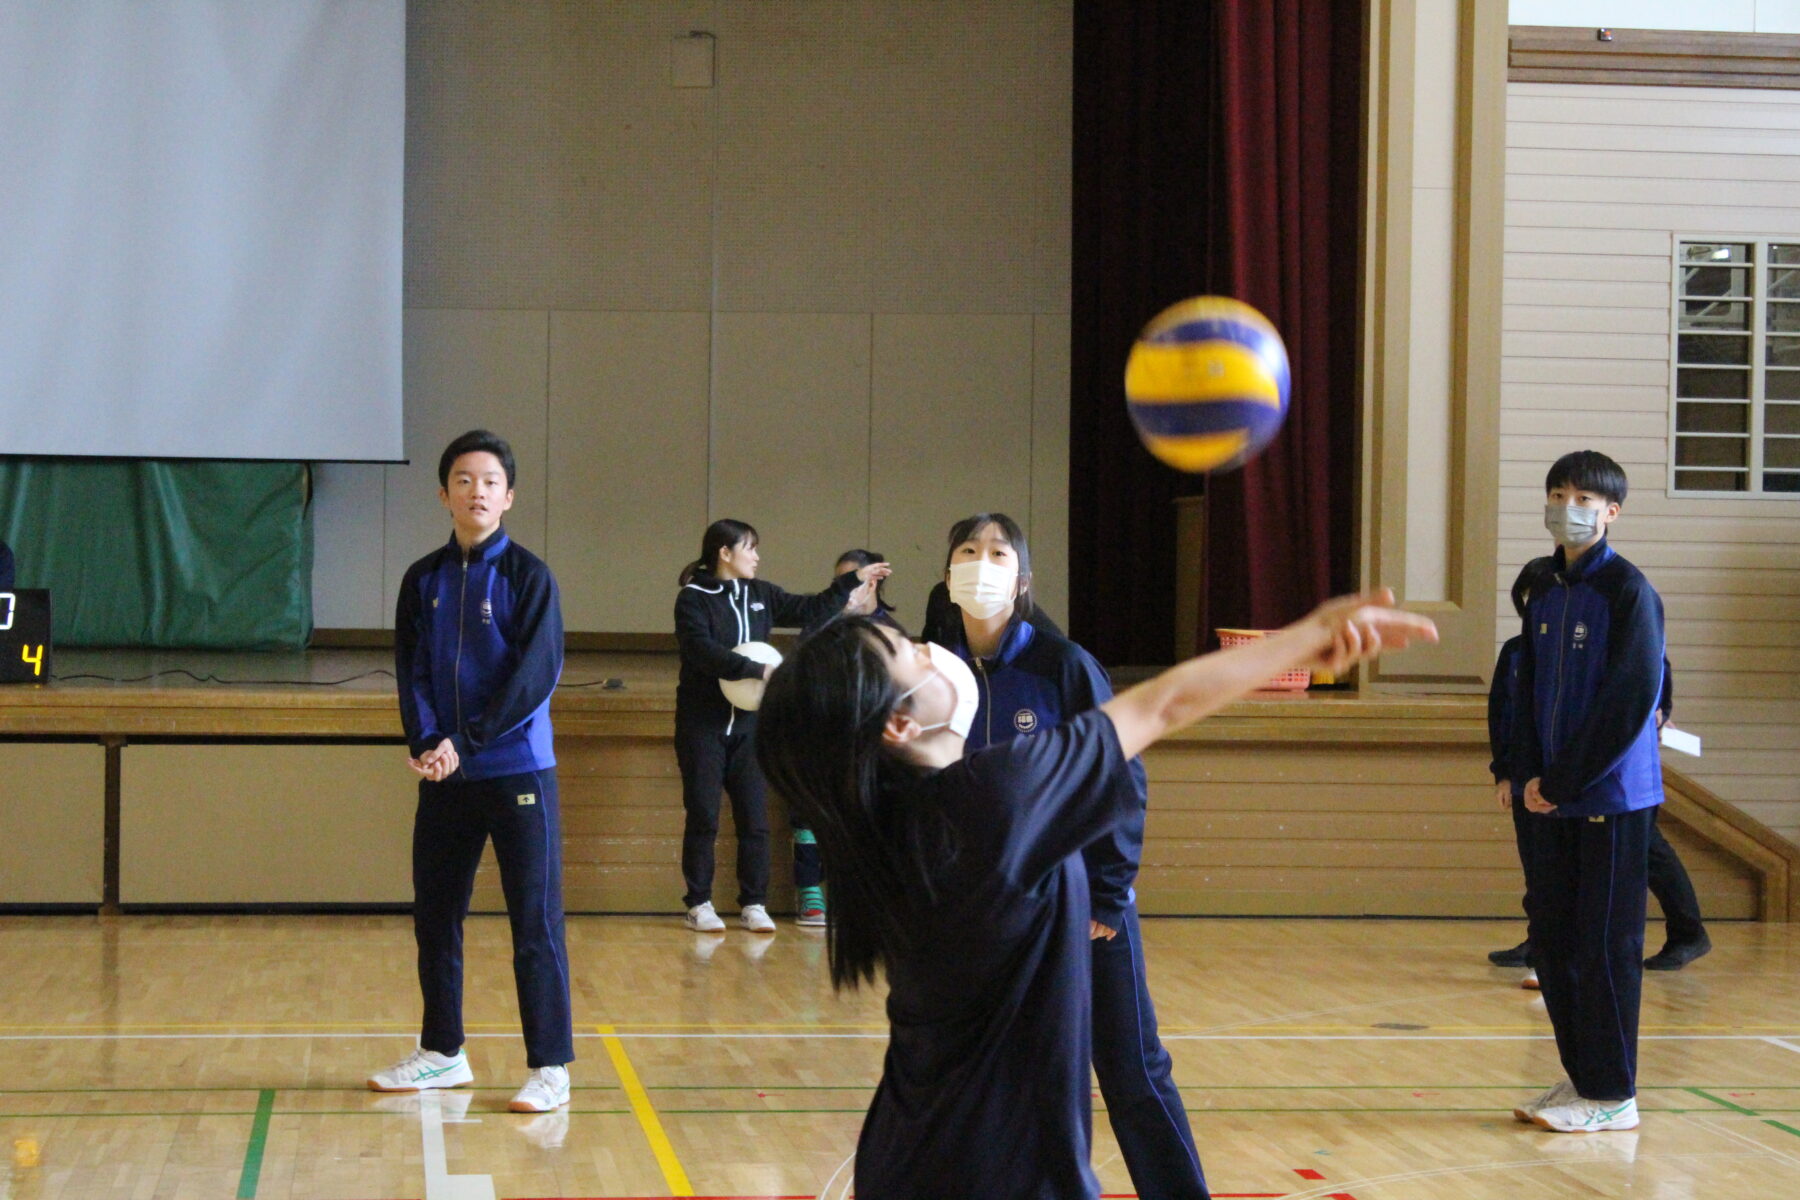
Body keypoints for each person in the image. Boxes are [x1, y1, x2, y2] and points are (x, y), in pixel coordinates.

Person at [756, 598, 1435, 1199]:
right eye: (907, 651)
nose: (933, 648)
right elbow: (1159, 705)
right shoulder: (989, 802)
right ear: (897, 726)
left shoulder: (888, 831)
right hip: (1001, 1175)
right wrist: (1309, 634)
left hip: (914, 1161)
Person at [934, 512, 1207, 1198]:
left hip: (1083, 905)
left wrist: (1108, 894)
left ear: (1021, 580)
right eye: (968, 550)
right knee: (997, 1080)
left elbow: (1122, 774)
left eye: (997, 552)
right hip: (990, 914)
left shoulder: (1064, 665)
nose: (981, 562)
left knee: (1131, 1070)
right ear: (947, 575)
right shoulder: (934, 673)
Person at [370, 429, 573, 1114]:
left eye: (489, 481)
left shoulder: (529, 578)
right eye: (463, 479)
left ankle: (549, 1066)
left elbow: (534, 679)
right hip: (445, 777)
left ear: (508, 496)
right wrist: (427, 739)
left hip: (518, 774)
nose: (476, 490)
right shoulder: (421, 580)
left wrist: (470, 740)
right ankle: (441, 1053)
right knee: (436, 916)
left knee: (534, 925)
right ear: (443, 493)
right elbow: (413, 670)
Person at [1509, 450, 1666, 1134]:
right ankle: (1584, 1080)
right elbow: (1523, 683)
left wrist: (1567, 781)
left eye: (1583, 497)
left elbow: (1634, 695)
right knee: (1553, 941)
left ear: (1611, 511)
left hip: (1609, 798)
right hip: (1548, 796)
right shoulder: (1540, 586)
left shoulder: (1629, 591)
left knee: (1602, 948)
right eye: (1557, 492)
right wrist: (1523, 776)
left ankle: (1613, 1094)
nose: (1568, 505)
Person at [673, 521, 888, 933]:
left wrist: (851, 582)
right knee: (703, 815)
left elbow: (810, 609)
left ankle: (754, 903)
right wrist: (758, 670)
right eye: (750, 548)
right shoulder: (693, 599)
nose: (756, 556)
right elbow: (702, 651)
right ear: (724, 552)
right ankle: (698, 903)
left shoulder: (762, 594)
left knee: (754, 818)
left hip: (753, 726)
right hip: (703, 725)